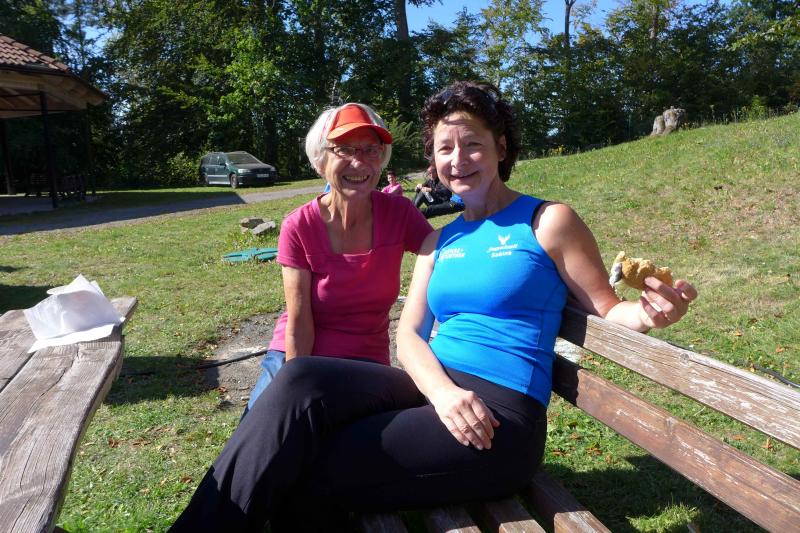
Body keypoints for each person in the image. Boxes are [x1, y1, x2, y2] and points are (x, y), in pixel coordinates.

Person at [171, 82, 697, 532]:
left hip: (496, 418)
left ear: (501, 147)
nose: (458, 159)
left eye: (473, 144)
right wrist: (442, 393)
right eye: (445, 148)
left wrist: (650, 313)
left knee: (302, 463)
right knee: (299, 378)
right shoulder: (440, 240)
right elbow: (409, 335)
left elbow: (608, 307)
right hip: (434, 394)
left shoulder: (547, 220)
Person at [243, 102, 433, 414]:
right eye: (343, 149)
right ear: (320, 161)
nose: (359, 162)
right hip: (301, 354)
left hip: (366, 360)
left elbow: (443, 256)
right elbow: (299, 321)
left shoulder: (399, 214)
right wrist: (296, 388)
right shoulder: (299, 226)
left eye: (371, 150)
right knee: (263, 429)